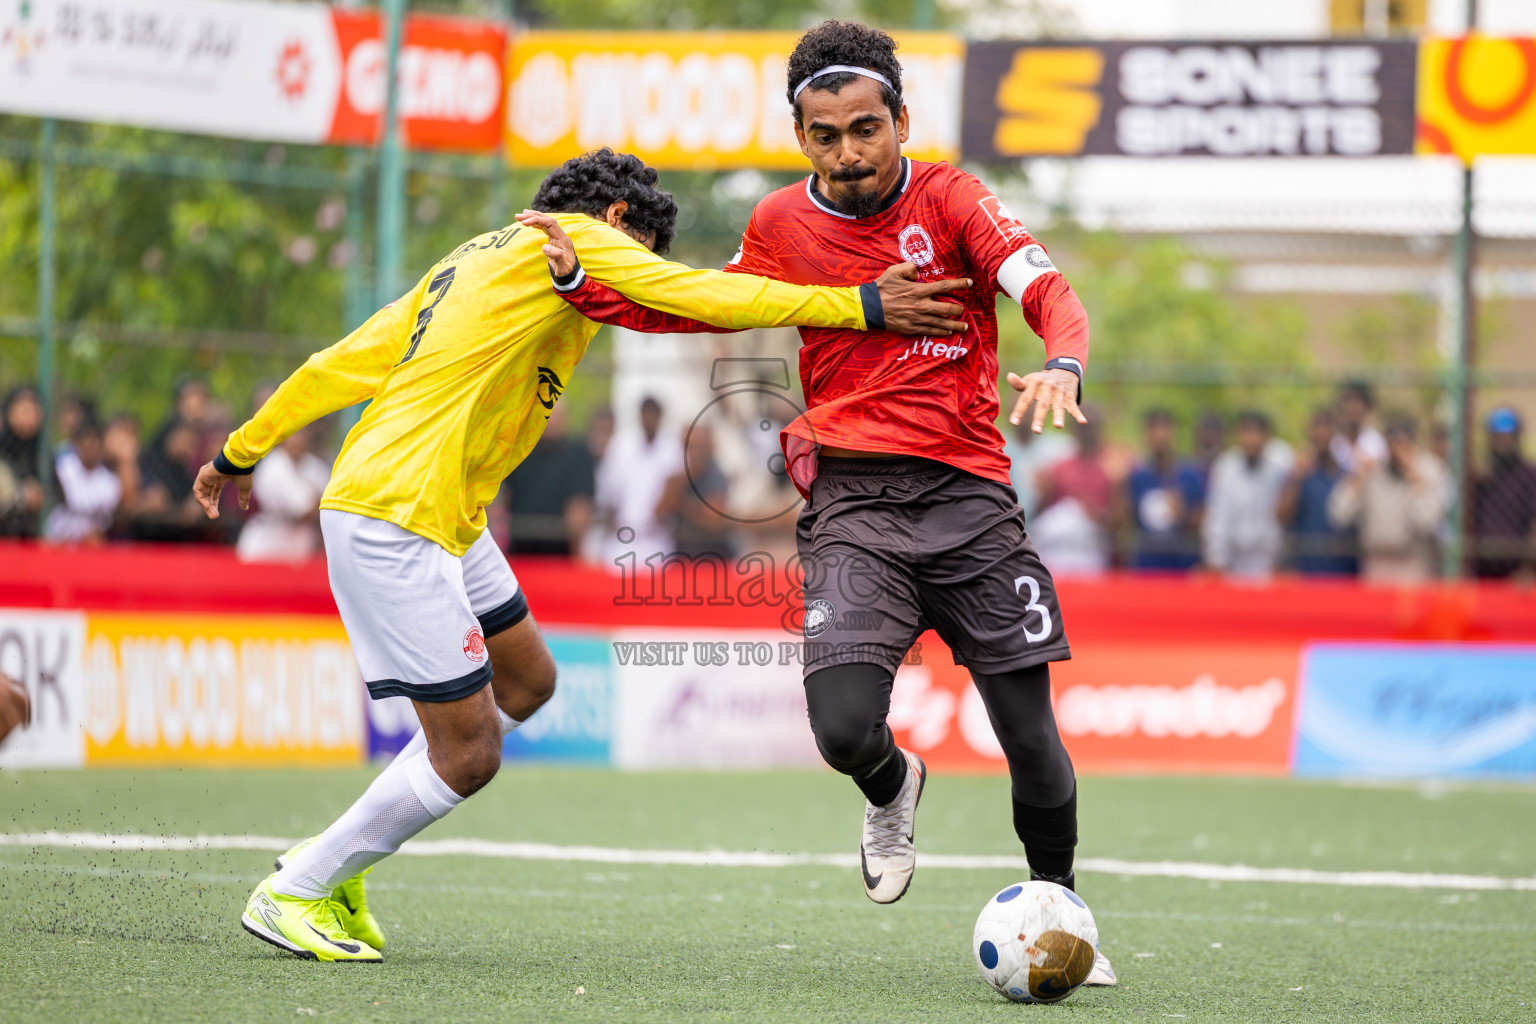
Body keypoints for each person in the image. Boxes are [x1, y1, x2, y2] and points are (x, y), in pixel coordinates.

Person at [190, 147, 972, 963]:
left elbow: (332, 364)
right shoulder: (575, 237)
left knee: (530, 680)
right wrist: (862, 305)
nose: (632, 278)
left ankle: (345, 853)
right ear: (618, 221)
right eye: (640, 255)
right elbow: (705, 295)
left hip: (444, 515)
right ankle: (303, 884)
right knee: (469, 755)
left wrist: (235, 455)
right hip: (396, 514)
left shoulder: (469, 263)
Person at [527, 21, 1114, 987]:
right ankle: (893, 784)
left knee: (1030, 738)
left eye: (866, 129)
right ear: (802, 136)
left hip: (970, 501)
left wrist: (1061, 360)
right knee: (842, 729)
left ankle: (1066, 914)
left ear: (900, 122)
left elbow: (1045, 287)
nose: (849, 153)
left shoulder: (954, 197)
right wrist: (580, 280)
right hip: (851, 504)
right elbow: (690, 303)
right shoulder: (778, 226)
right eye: (826, 135)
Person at [1328, 414, 1449, 583]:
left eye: (1403, 443)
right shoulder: (1372, 471)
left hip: (1414, 564)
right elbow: (1339, 515)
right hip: (1376, 564)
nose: (1397, 450)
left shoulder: (1431, 469)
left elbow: (1426, 522)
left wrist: (1413, 477)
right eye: (1393, 443)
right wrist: (1358, 478)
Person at [1202, 410, 1293, 579]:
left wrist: (1279, 562)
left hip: (1270, 562)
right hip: (1233, 562)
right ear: (1238, 436)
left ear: (1267, 437)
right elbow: (1218, 519)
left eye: (1257, 433)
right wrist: (1216, 560)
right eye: (1247, 433)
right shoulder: (1226, 467)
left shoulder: (1280, 464)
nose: (1252, 440)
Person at [503, 403, 595, 557]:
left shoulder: (577, 454)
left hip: (560, 554)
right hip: (520, 550)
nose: (550, 420)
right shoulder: (520, 450)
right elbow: (505, 496)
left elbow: (580, 506)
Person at [1031, 410, 1113, 576]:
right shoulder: (1058, 468)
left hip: (1093, 552)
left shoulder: (1111, 468)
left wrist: (1094, 514)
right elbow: (1039, 515)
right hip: (1059, 553)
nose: (1087, 433)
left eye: (1091, 427)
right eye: (1081, 428)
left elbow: (1119, 522)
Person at [1122, 408, 1204, 570]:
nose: (1159, 436)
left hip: (1182, 566)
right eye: (1153, 429)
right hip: (1146, 566)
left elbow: (1201, 525)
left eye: (1164, 428)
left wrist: (1182, 514)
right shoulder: (1136, 478)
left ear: (1174, 433)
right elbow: (1125, 524)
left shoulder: (1191, 476)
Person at [236, 426, 331, 562]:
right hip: (267, 545)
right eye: (294, 435)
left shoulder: (314, 465)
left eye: (302, 434)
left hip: (299, 547)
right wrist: (318, 502)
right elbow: (305, 512)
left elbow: (330, 508)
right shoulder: (273, 466)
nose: (298, 440)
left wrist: (318, 504)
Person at [1279, 408, 1356, 576]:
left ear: (1336, 432)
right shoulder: (1298, 474)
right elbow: (1282, 515)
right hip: (1306, 567)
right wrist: (1296, 479)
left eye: (1326, 427)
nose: (1321, 433)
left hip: (1342, 569)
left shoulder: (1346, 476)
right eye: (1316, 427)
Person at [1472, 407, 1536, 579]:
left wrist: (1529, 568)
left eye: (1508, 436)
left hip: (1518, 572)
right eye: (1497, 436)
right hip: (1480, 570)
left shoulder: (1529, 475)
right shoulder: (1480, 476)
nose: (1503, 441)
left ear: (1517, 437)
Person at [656, 422, 734, 559]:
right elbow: (660, 513)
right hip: (682, 551)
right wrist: (684, 479)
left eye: (699, 447)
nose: (695, 454)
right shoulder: (680, 476)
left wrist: (680, 505)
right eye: (690, 448)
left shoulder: (716, 475)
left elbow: (712, 523)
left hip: (712, 553)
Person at [44, 419, 121, 544]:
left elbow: (106, 519)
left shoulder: (109, 479)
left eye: (95, 440)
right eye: (87, 439)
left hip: (90, 540)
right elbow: (74, 499)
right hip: (58, 535)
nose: (91, 445)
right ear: (77, 443)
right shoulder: (63, 465)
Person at [0, 385, 45, 536]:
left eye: (34, 412)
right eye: (25, 411)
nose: (30, 418)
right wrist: (22, 497)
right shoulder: (3, 448)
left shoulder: (41, 451)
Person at [1329, 380, 1387, 475]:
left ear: (1366, 407)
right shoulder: (1334, 442)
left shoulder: (1375, 441)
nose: (1352, 408)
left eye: (1357, 402)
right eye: (1348, 401)